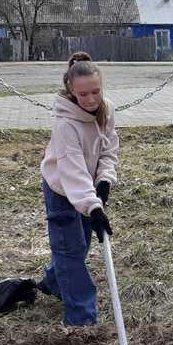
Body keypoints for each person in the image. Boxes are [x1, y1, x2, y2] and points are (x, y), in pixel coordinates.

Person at [39, 52, 120, 325]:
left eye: (95, 92)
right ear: (71, 91)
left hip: (88, 186)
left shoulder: (106, 110)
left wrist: (104, 181)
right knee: (70, 251)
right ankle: (82, 320)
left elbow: (109, 149)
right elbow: (72, 172)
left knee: (80, 244)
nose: (91, 99)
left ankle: (53, 283)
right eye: (83, 94)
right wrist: (93, 208)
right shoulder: (66, 124)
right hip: (62, 188)